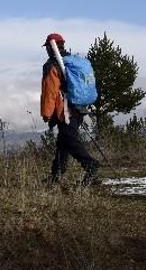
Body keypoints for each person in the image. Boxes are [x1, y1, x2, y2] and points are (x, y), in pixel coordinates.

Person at [40, 33, 99, 185]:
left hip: (65, 110)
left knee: (70, 140)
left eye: (47, 47)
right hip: (79, 107)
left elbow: (50, 91)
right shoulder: (72, 62)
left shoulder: (53, 65)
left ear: (49, 47)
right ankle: (56, 175)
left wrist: (46, 114)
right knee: (63, 142)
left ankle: (91, 166)